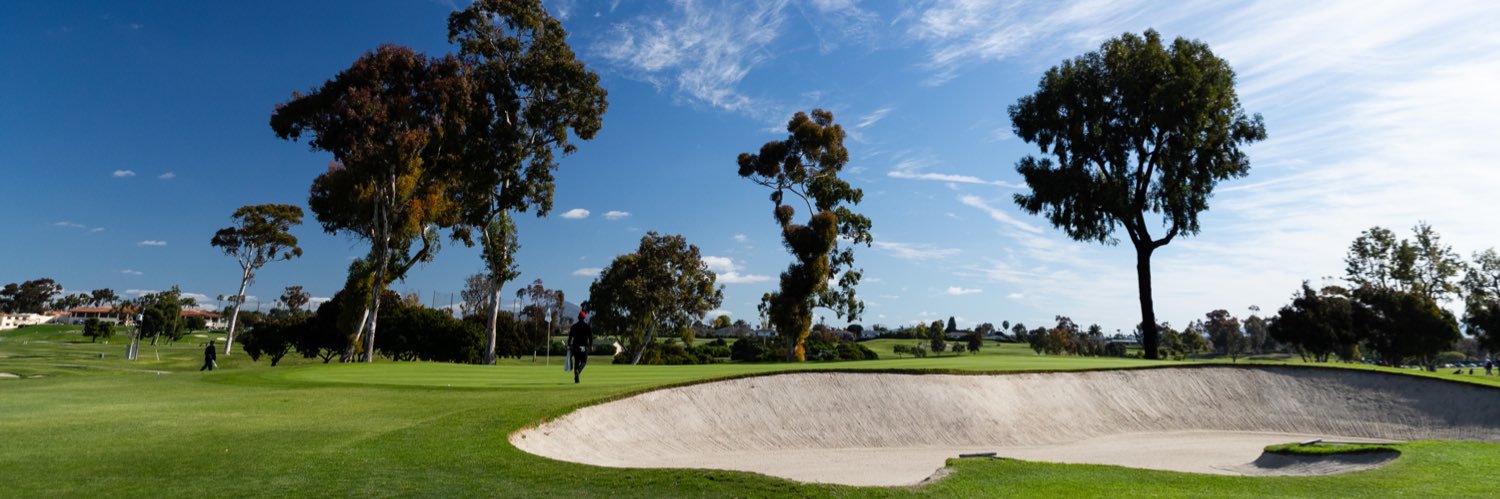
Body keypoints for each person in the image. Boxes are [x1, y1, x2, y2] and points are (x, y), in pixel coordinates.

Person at [567, 311, 593, 384]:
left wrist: (569, 345)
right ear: (584, 318)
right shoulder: (587, 327)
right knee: (584, 361)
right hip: (584, 347)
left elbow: (570, 337)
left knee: (576, 362)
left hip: (576, 347)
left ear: (578, 318)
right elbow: (590, 338)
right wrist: (591, 346)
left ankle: (576, 379)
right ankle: (579, 370)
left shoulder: (574, 326)